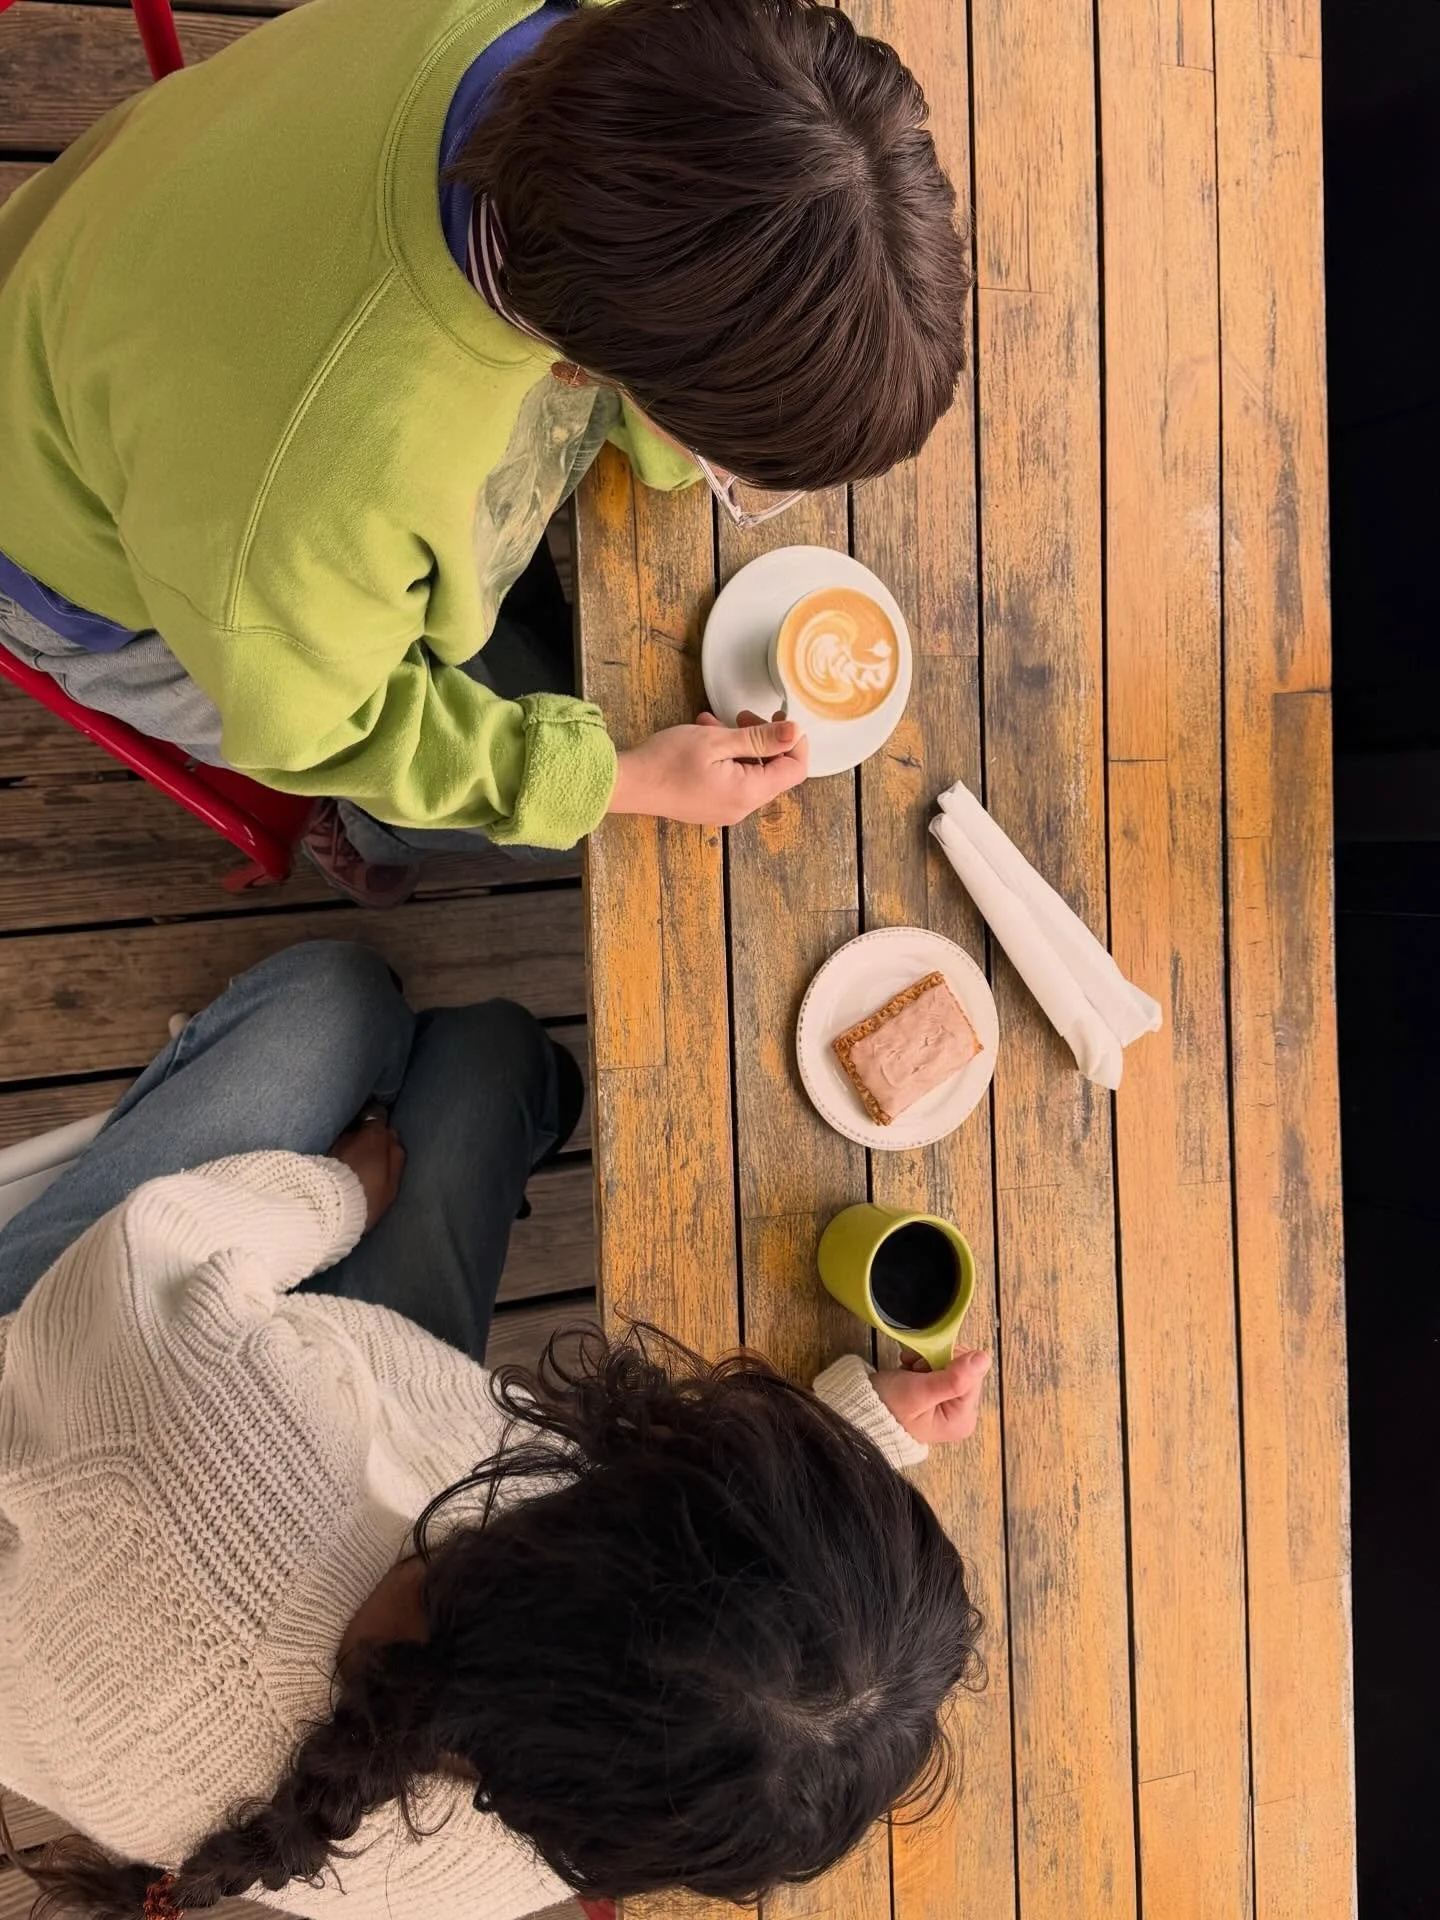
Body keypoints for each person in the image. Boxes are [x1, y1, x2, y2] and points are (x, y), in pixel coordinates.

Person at [0, 940, 992, 1920]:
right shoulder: (550, 1820)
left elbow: (146, 1256)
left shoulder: (200, 1440)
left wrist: (340, 1194)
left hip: (73, 1370)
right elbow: (702, 1666)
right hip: (340, 1447)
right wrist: (860, 1432)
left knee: (348, 1000)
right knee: (499, 1065)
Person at [0, 0, 972, 906]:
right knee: (462, 794)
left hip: (136, 215)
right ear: (593, 361)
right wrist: (623, 781)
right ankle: (377, 842)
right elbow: (332, 728)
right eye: (732, 473)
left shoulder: (626, 46)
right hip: (93, 566)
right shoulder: (323, 489)